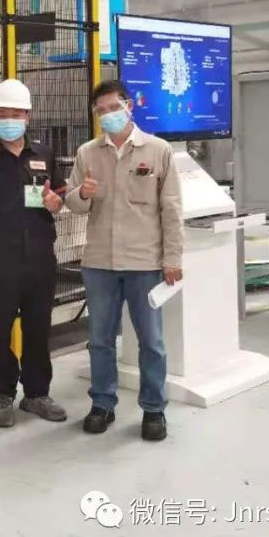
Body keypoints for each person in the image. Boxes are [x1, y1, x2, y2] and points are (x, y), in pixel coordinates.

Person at [65, 79, 183, 442]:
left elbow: (171, 209)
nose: (108, 115)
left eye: (114, 107)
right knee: (100, 339)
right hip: (99, 263)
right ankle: (102, 403)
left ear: (129, 106)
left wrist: (172, 257)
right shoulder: (87, 153)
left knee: (152, 341)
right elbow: (73, 203)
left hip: (144, 263)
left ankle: (154, 409)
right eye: (101, 111)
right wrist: (82, 193)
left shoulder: (158, 151)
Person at [0, 79, 67, 428]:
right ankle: (2, 394)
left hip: (40, 256)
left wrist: (55, 203)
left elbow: (58, 198)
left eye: (16, 114)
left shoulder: (43, 154)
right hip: (0, 258)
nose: (9, 120)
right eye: (2, 114)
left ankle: (37, 394)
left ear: (28, 116)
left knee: (39, 328)